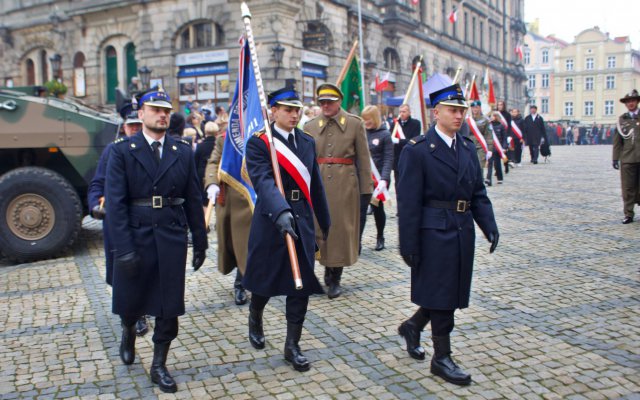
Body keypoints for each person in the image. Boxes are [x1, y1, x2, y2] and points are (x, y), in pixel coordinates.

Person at [105, 88, 207, 393]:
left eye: (166, 110)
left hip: (171, 235)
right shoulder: (122, 151)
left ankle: (159, 364)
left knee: (168, 305)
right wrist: (123, 247)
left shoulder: (182, 150)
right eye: (155, 109)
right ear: (142, 114)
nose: (162, 115)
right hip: (135, 235)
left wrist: (200, 240)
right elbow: (115, 204)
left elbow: (192, 198)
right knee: (131, 298)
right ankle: (127, 331)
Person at [396, 84, 499, 386]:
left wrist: (488, 225)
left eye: (462, 110)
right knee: (442, 295)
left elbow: (477, 193)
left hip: (461, 229)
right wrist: (409, 243)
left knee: (449, 291)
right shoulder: (417, 150)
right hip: (432, 231)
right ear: (436, 112)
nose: (459, 116)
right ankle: (441, 358)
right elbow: (408, 202)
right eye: (453, 110)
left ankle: (413, 327)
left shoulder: (466, 148)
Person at [243, 88, 330, 372]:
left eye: (298, 110)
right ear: (273, 110)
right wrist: (280, 211)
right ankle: (256, 314)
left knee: (300, 283)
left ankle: (292, 345)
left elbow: (314, 183)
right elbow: (263, 180)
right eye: (287, 109)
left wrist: (324, 222)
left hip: (301, 217)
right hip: (271, 217)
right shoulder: (259, 143)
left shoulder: (306, 141)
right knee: (265, 280)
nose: (294, 114)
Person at [304, 83, 373, 299]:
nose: (325, 105)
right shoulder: (310, 126)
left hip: (346, 187)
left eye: (329, 102)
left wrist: (366, 191)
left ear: (338, 102)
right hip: (319, 184)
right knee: (320, 230)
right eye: (322, 102)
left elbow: (363, 159)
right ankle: (324, 267)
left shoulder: (354, 124)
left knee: (340, 232)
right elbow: (304, 160)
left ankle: (335, 276)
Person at [87, 104, 148, 336]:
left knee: (146, 269)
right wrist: (95, 204)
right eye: (131, 126)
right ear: (124, 127)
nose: (134, 129)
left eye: (138, 126)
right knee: (123, 271)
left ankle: (141, 312)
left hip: (146, 221)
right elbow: (97, 183)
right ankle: (130, 319)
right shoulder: (113, 150)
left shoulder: (155, 149)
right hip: (119, 223)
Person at [203, 125, 251, 305]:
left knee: (251, 242)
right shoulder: (225, 138)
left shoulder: (261, 134)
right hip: (233, 200)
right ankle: (240, 283)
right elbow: (214, 162)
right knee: (238, 243)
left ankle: (246, 280)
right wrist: (212, 182)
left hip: (255, 198)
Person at [360, 105, 393, 251]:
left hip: (379, 179)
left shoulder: (385, 135)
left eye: (368, 119)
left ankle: (380, 236)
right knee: (360, 210)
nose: (366, 122)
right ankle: (357, 240)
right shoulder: (361, 133)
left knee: (378, 209)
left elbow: (388, 158)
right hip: (364, 178)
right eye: (364, 119)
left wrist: (384, 179)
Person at [612, 89, 640, 224]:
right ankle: (628, 213)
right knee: (627, 187)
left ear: (637, 102)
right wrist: (615, 158)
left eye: (633, 101)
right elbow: (617, 141)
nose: (631, 104)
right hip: (628, 158)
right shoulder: (622, 120)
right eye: (628, 101)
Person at [391, 104, 422, 189]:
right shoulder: (395, 124)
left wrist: (398, 141)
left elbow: (413, 140)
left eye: (404, 111)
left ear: (409, 112)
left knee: (409, 183)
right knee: (398, 183)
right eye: (400, 112)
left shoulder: (415, 124)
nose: (402, 114)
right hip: (397, 158)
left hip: (409, 157)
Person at [466, 100, 493, 178]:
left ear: (480, 108)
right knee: (470, 166)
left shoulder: (485, 120)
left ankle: (480, 182)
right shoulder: (467, 120)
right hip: (469, 145)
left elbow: (489, 135)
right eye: (473, 107)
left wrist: (490, 149)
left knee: (480, 165)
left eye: (476, 107)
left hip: (481, 146)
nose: (475, 109)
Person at [194, 121, 219, 207]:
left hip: (202, 175)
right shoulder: (218, 146)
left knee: (204, 202)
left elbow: (195, 162)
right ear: (216, 132)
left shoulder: (200, 146)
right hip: (215, 175)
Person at [486, 112, 505, 186]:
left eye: (493, 116)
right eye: (491, 116)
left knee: (497, 164)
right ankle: (488, 179)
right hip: (490, 147)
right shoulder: (489, 126)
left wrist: (504, 147)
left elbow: (504, 138)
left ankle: (500, 178)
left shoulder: (501, 126)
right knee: (490, 164)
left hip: (497, 148)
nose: (491, 117)